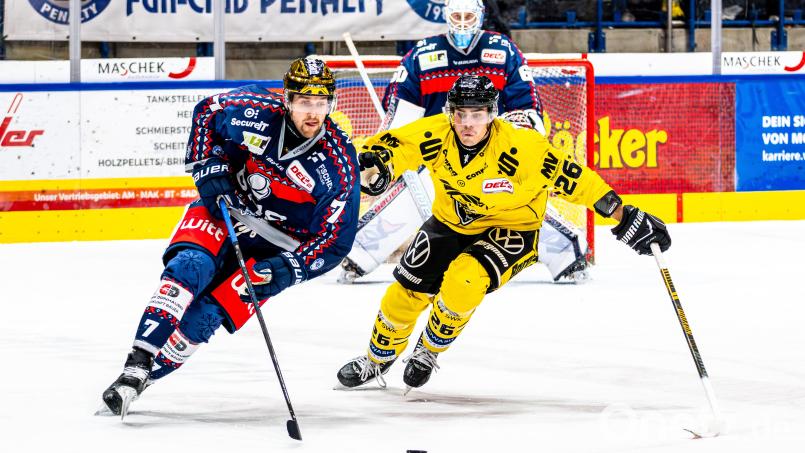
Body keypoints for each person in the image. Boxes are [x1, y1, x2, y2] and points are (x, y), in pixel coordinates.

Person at [336, 74, 671, 391]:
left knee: (463, 281)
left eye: (477, 114)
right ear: (450, 112)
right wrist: (379, 162)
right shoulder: (437, 132)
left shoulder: (522, 148)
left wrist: (623, 215)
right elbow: (396, 145)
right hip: (449, 224)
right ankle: (377, 359)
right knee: (403, 294)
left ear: (492, 114)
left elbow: (576, 180)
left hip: (512, 229)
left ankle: (427, 349)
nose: (467, 124)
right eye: (460, 114)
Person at [101, 57, 360, 417]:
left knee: (205, 317)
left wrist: (287, 269)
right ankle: (136, 363)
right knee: (190, 266)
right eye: (303, 102)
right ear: (287, 99)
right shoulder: (252, 109)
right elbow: (207, 111)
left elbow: (334, 240)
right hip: (228, 209)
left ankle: (144, 382)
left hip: (278, 246)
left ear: (332, 104)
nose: (313, 113)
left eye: (321, 103)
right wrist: (209, 170)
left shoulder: (339, 164)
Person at [339, 0, 589, 285]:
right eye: (455, 15)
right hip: (439, 159)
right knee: (414, 195)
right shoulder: (422, 55)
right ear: (446, 16)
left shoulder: (503, 50)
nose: (461, 22)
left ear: (480, 16)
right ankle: (356, 255)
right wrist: (391, 154)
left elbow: (528, 111)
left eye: (467, 15)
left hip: (496, 155)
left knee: (516, 205)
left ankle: (567, 255)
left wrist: (515, 143)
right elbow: (401, 123)